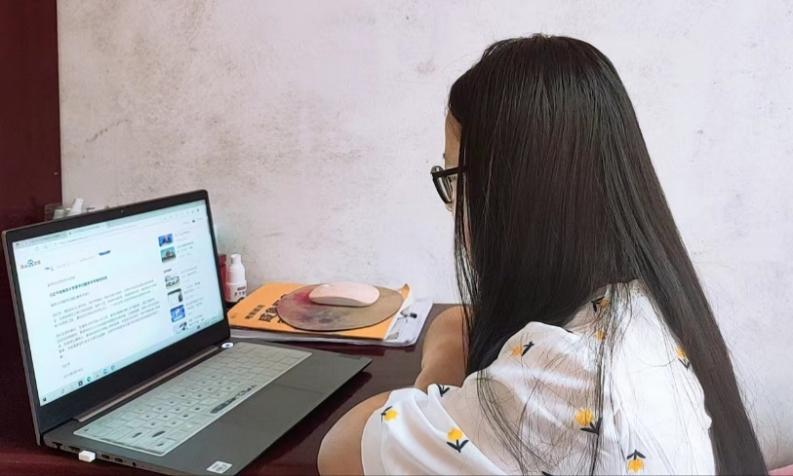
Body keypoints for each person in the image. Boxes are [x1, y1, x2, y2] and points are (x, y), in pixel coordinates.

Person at [317, 35, 767, 475]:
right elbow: (454, 321)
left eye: (454, 176)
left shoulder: (558, 384)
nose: (454, 203)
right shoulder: (646, 304)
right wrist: (451, 350)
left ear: (516, 192)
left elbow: (340, 449)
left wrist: (431, 392)